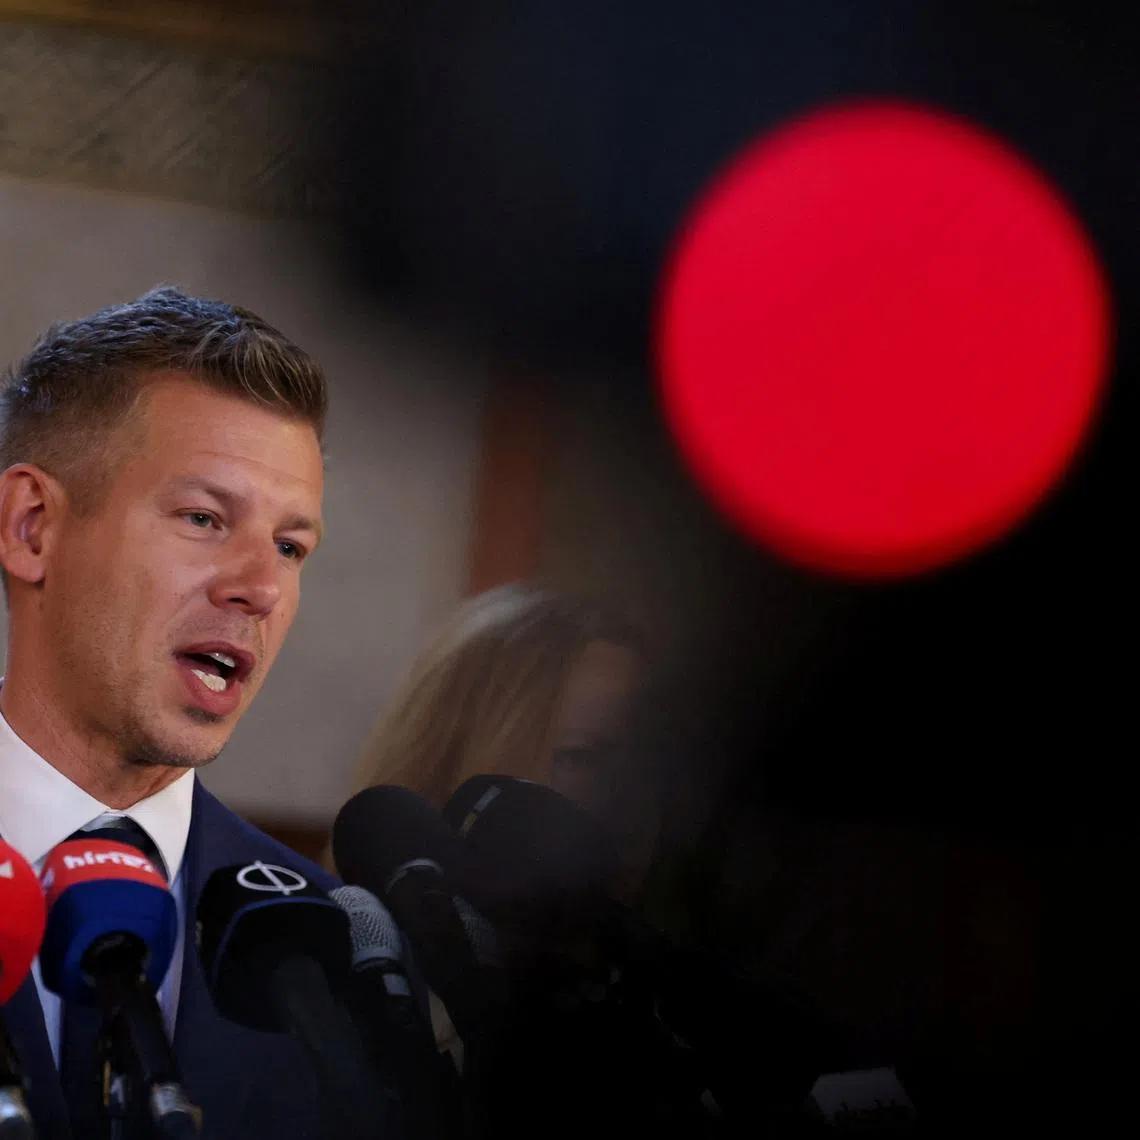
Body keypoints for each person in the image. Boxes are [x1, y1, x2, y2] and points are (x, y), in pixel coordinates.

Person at [0, 288, 365, 1140]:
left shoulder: (327, 956)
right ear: (32, 527)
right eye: (204, 518)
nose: (261, 588)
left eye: (290, 547)